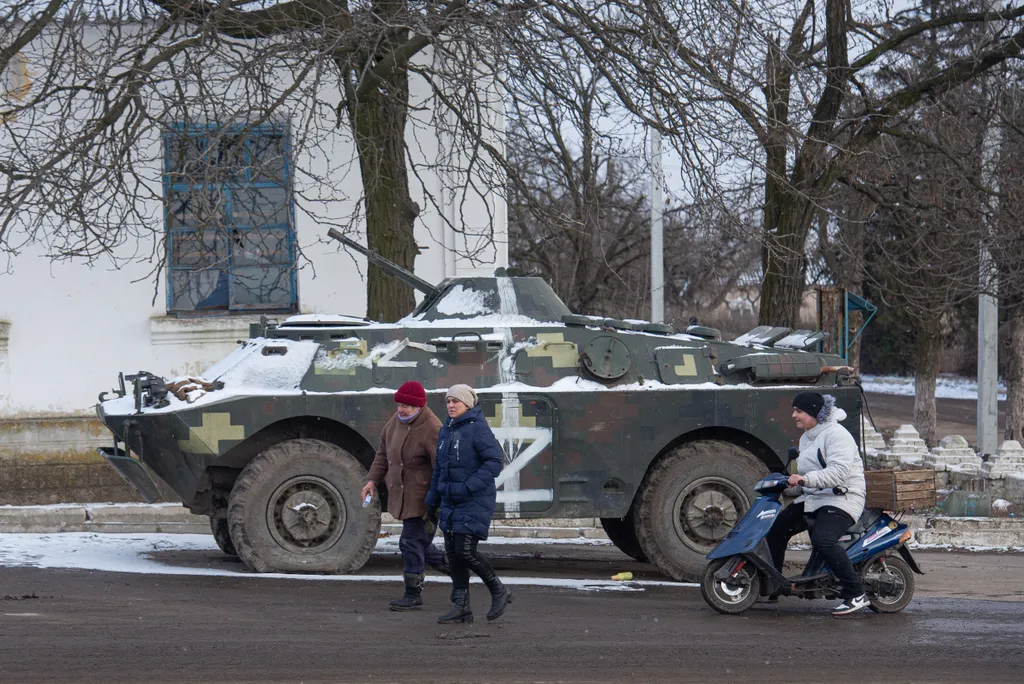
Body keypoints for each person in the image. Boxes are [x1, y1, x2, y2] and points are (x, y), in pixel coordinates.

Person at [765, 391, 869, 616]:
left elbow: (838, 473)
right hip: (815, 498)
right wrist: (789, 485)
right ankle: (772, 585)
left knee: (824, 539)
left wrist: (805, 479)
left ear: (814, 412)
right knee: (776, 530)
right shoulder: (807, 436)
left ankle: (856, 593)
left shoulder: (837, 435)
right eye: (794, 410)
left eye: (798, 411)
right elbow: (808, 476)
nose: (794, 415)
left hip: (843, 497)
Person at [425, 383, 511, 624]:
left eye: (456, 401)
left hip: (473, 501)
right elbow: (440, 470)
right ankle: (461, 607)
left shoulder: (478, 429)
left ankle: (498, 590)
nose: (451, 405)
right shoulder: (446, 430)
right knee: (453, 554)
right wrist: (432, 502)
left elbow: (494, 462)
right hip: (451, 501)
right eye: (448, 401)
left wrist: (467, 487)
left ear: (468, 404)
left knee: (465, 551)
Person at [361, 380, 448, 611]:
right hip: (402, 493)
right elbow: (382, 453)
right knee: (421, 544)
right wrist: (372, 480)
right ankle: (458, 570)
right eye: (399, 404)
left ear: (419, 406)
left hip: (423, 498)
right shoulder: (395, 422)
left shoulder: (433, 427)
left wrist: (436, 500)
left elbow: (441, 467)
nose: (402, 409)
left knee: (410, 542)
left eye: (407, 405)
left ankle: (412, 594)